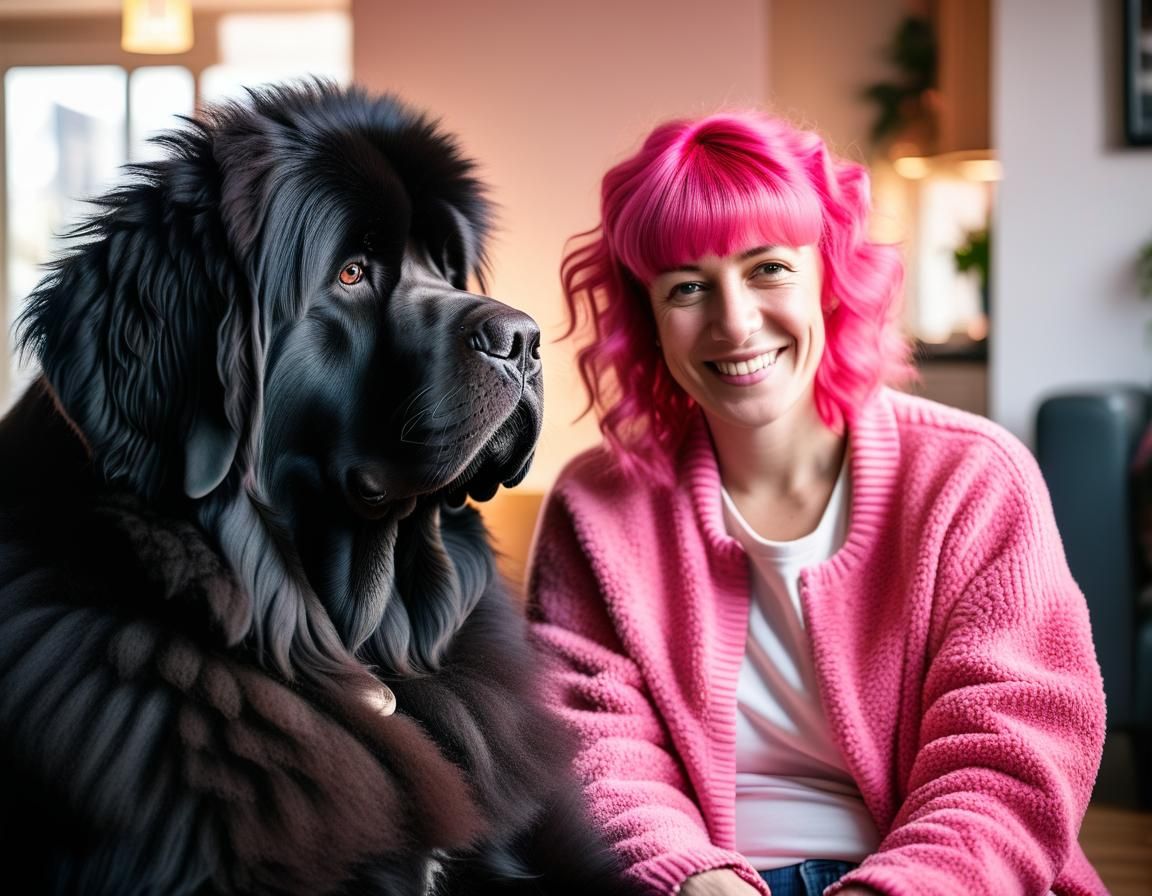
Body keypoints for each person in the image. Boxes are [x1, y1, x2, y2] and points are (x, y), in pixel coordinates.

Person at [525, 111, 1108, 896]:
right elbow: (593, 744)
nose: (735, 323)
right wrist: (691, 878)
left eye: (768, 268)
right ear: (649, 320)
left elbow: (1011, 746)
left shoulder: (973, 477)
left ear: (829, 275)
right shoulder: (596, 506)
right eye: (688, 287)